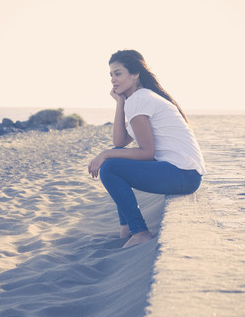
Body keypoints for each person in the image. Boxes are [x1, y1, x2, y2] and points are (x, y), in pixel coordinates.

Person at [88, 50, 206, 248]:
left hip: (183, 174)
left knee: (110, 167)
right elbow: (119, 141)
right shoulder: (138, 99)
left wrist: (104, 154)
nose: (113, 80)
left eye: (118, 73)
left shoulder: (140, 99)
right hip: (185, 173)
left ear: (135, 74)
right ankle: (126, 228)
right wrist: (120, 103)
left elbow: (146, 152)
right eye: (111, 75)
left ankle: (140, 232)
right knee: (114, 161)